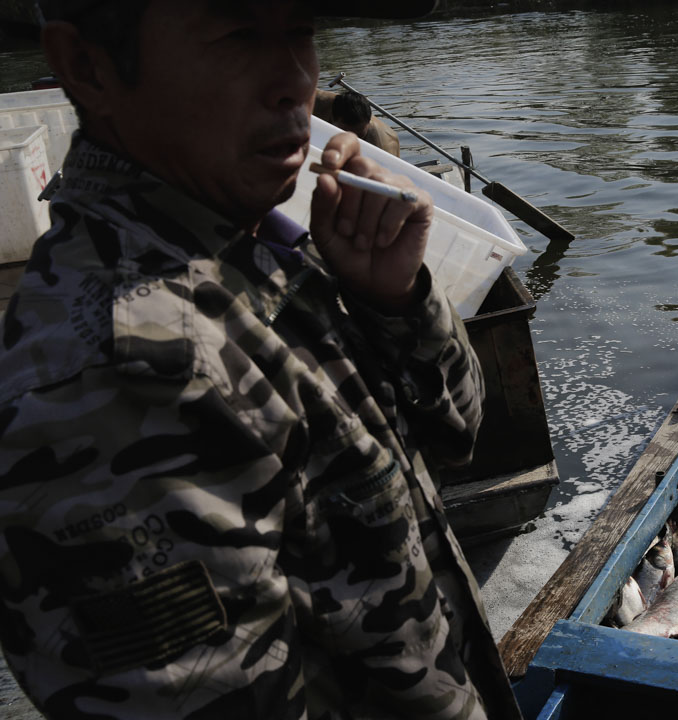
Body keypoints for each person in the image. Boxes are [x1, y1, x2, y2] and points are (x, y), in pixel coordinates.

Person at [0, 1, 521, 719]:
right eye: (239, 34)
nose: (295, 81)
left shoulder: (256, 245)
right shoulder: (126, 374)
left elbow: (458, 433)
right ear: (88, 68)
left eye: (302, 31)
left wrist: (394, 298)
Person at [314, 88, 401, 157]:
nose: (350, 140)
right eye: (344, 133)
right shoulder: (316, 102)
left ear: (368, 122)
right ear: (332, 118)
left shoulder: (385, 145)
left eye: (359, 135)